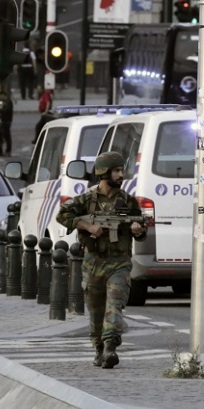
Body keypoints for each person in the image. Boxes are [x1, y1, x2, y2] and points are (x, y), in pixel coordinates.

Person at [56, 152, 148, 369]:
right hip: (93, 262)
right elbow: (62, 215)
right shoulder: (87, 200)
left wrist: (137, 230)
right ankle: (98, 347)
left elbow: (140, 231)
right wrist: (88, 227)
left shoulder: (128, 201)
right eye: (116, 171)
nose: (120, 175)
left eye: (121, 170)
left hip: (120, 263)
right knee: (96, 308)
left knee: (114, 305)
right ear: (103, 173)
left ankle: (110, 347)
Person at [0, 84, 14, 155]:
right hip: (2, 120)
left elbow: (6, 110)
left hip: (7, 121)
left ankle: (8, 150)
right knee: (2, 135)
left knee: (7, 136)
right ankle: (2, 149)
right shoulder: (2, 102)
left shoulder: (8, 102)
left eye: (0, 96)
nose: (0, 98)